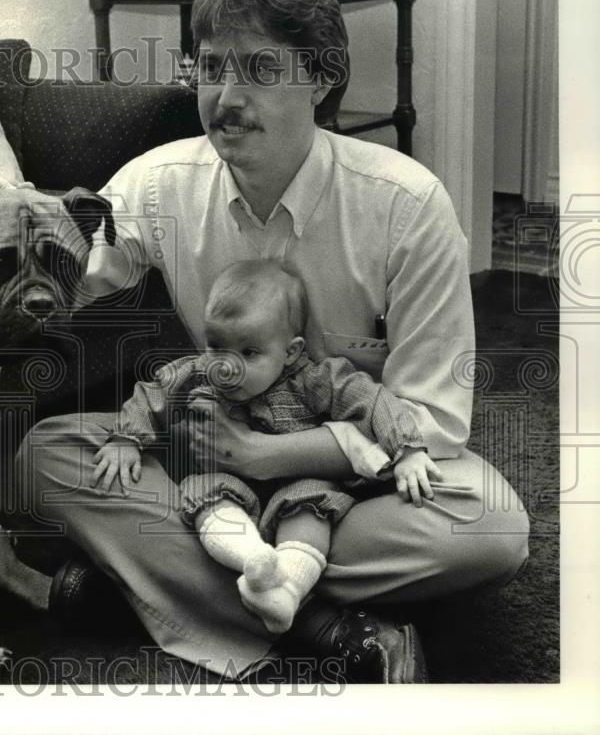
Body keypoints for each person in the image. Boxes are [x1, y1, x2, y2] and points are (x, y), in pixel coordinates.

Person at [0, 0, 529, 682]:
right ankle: (326, 627)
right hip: (206, 463)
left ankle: (160, 582)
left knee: (491, 528)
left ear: (323, 78)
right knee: (45, 455)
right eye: (211, 69)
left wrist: (264, 459)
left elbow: (430, 419)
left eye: (261, 72)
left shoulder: (407, 206)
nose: (226, 98)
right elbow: (61, 272)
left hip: (347, 477)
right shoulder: (159, 182)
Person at [92, 258, 442, 635]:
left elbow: (373, 401)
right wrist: (126, 438)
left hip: (299, 484)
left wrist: (407, 450)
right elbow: (151, 394)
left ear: (290, 352)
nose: (227, 367)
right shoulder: (196, 376)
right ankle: (253, 561)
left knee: (311, 507)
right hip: (227, 486)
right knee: (205, 496)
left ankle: (286, 589)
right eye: (216, 346)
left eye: (249, 353)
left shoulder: (315, 379)